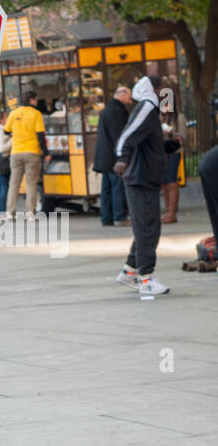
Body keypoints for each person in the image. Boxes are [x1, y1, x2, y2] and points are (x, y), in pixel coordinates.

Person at [114, 76, 168, 297]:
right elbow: (127, 135)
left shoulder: (151, 110)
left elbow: (147, 144)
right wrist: (121, 157)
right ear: (152, 90)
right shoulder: (146, 107)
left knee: (145, 227)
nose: (165, 92)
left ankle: (130, 270)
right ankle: (145, 278)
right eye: (161, 88)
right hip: (140, 179)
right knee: (147, 228)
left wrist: (170, 145)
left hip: (144, 178)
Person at [3, 90, 48, 219]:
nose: (37, 101)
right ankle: (30, 214)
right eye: (36, 99)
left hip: (16, 152)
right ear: (32, 100)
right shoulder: (36, 114)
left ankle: (10, 213)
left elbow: (6, 131)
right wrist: (46, 152)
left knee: (14, 184)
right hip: (32, 152)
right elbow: (40, 135)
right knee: (31, 184)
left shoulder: (13, 113)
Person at [93, 85, 132, 227]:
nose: (130, 101)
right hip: (114, 157)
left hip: (104, 157)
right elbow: (119, 137)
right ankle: (120, 217)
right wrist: (123, 156)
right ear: (121, 95)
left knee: (106, 189)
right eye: (128, 97)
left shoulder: (105, 110)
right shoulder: (118, 111)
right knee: (117, 187)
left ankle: (106, 217)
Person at [160, 123, 182, 224]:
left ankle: (172, 213)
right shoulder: (158, 117)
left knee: (171, 180)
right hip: (161, 152)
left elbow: (182, 137)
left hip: (173, 151)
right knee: (164, 182)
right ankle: (168, 211)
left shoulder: (178, 118)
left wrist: (171, 134)